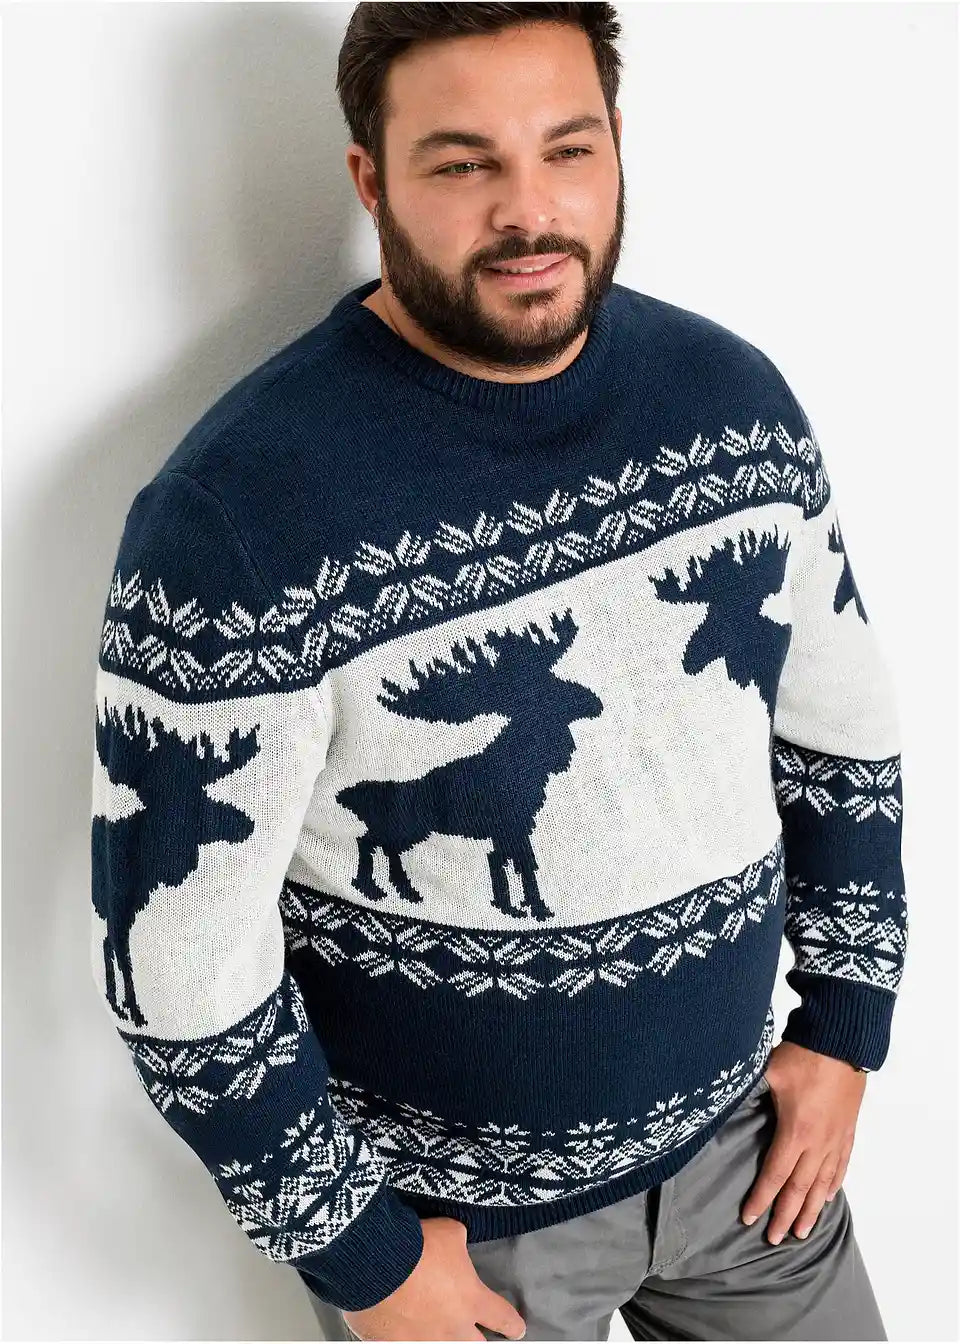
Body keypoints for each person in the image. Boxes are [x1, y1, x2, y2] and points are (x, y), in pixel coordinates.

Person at [88, 4, 906, 1340]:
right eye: (464, 163)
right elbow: (178, 959)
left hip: (749, 1161)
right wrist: (364, 1257)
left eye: (567, 150)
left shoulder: (732, 406)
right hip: (467, 1247)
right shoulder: (240, 519)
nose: (530, 211)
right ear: (371, 179)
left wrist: (845, 1022)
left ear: (616, 144)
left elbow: (841, 731)